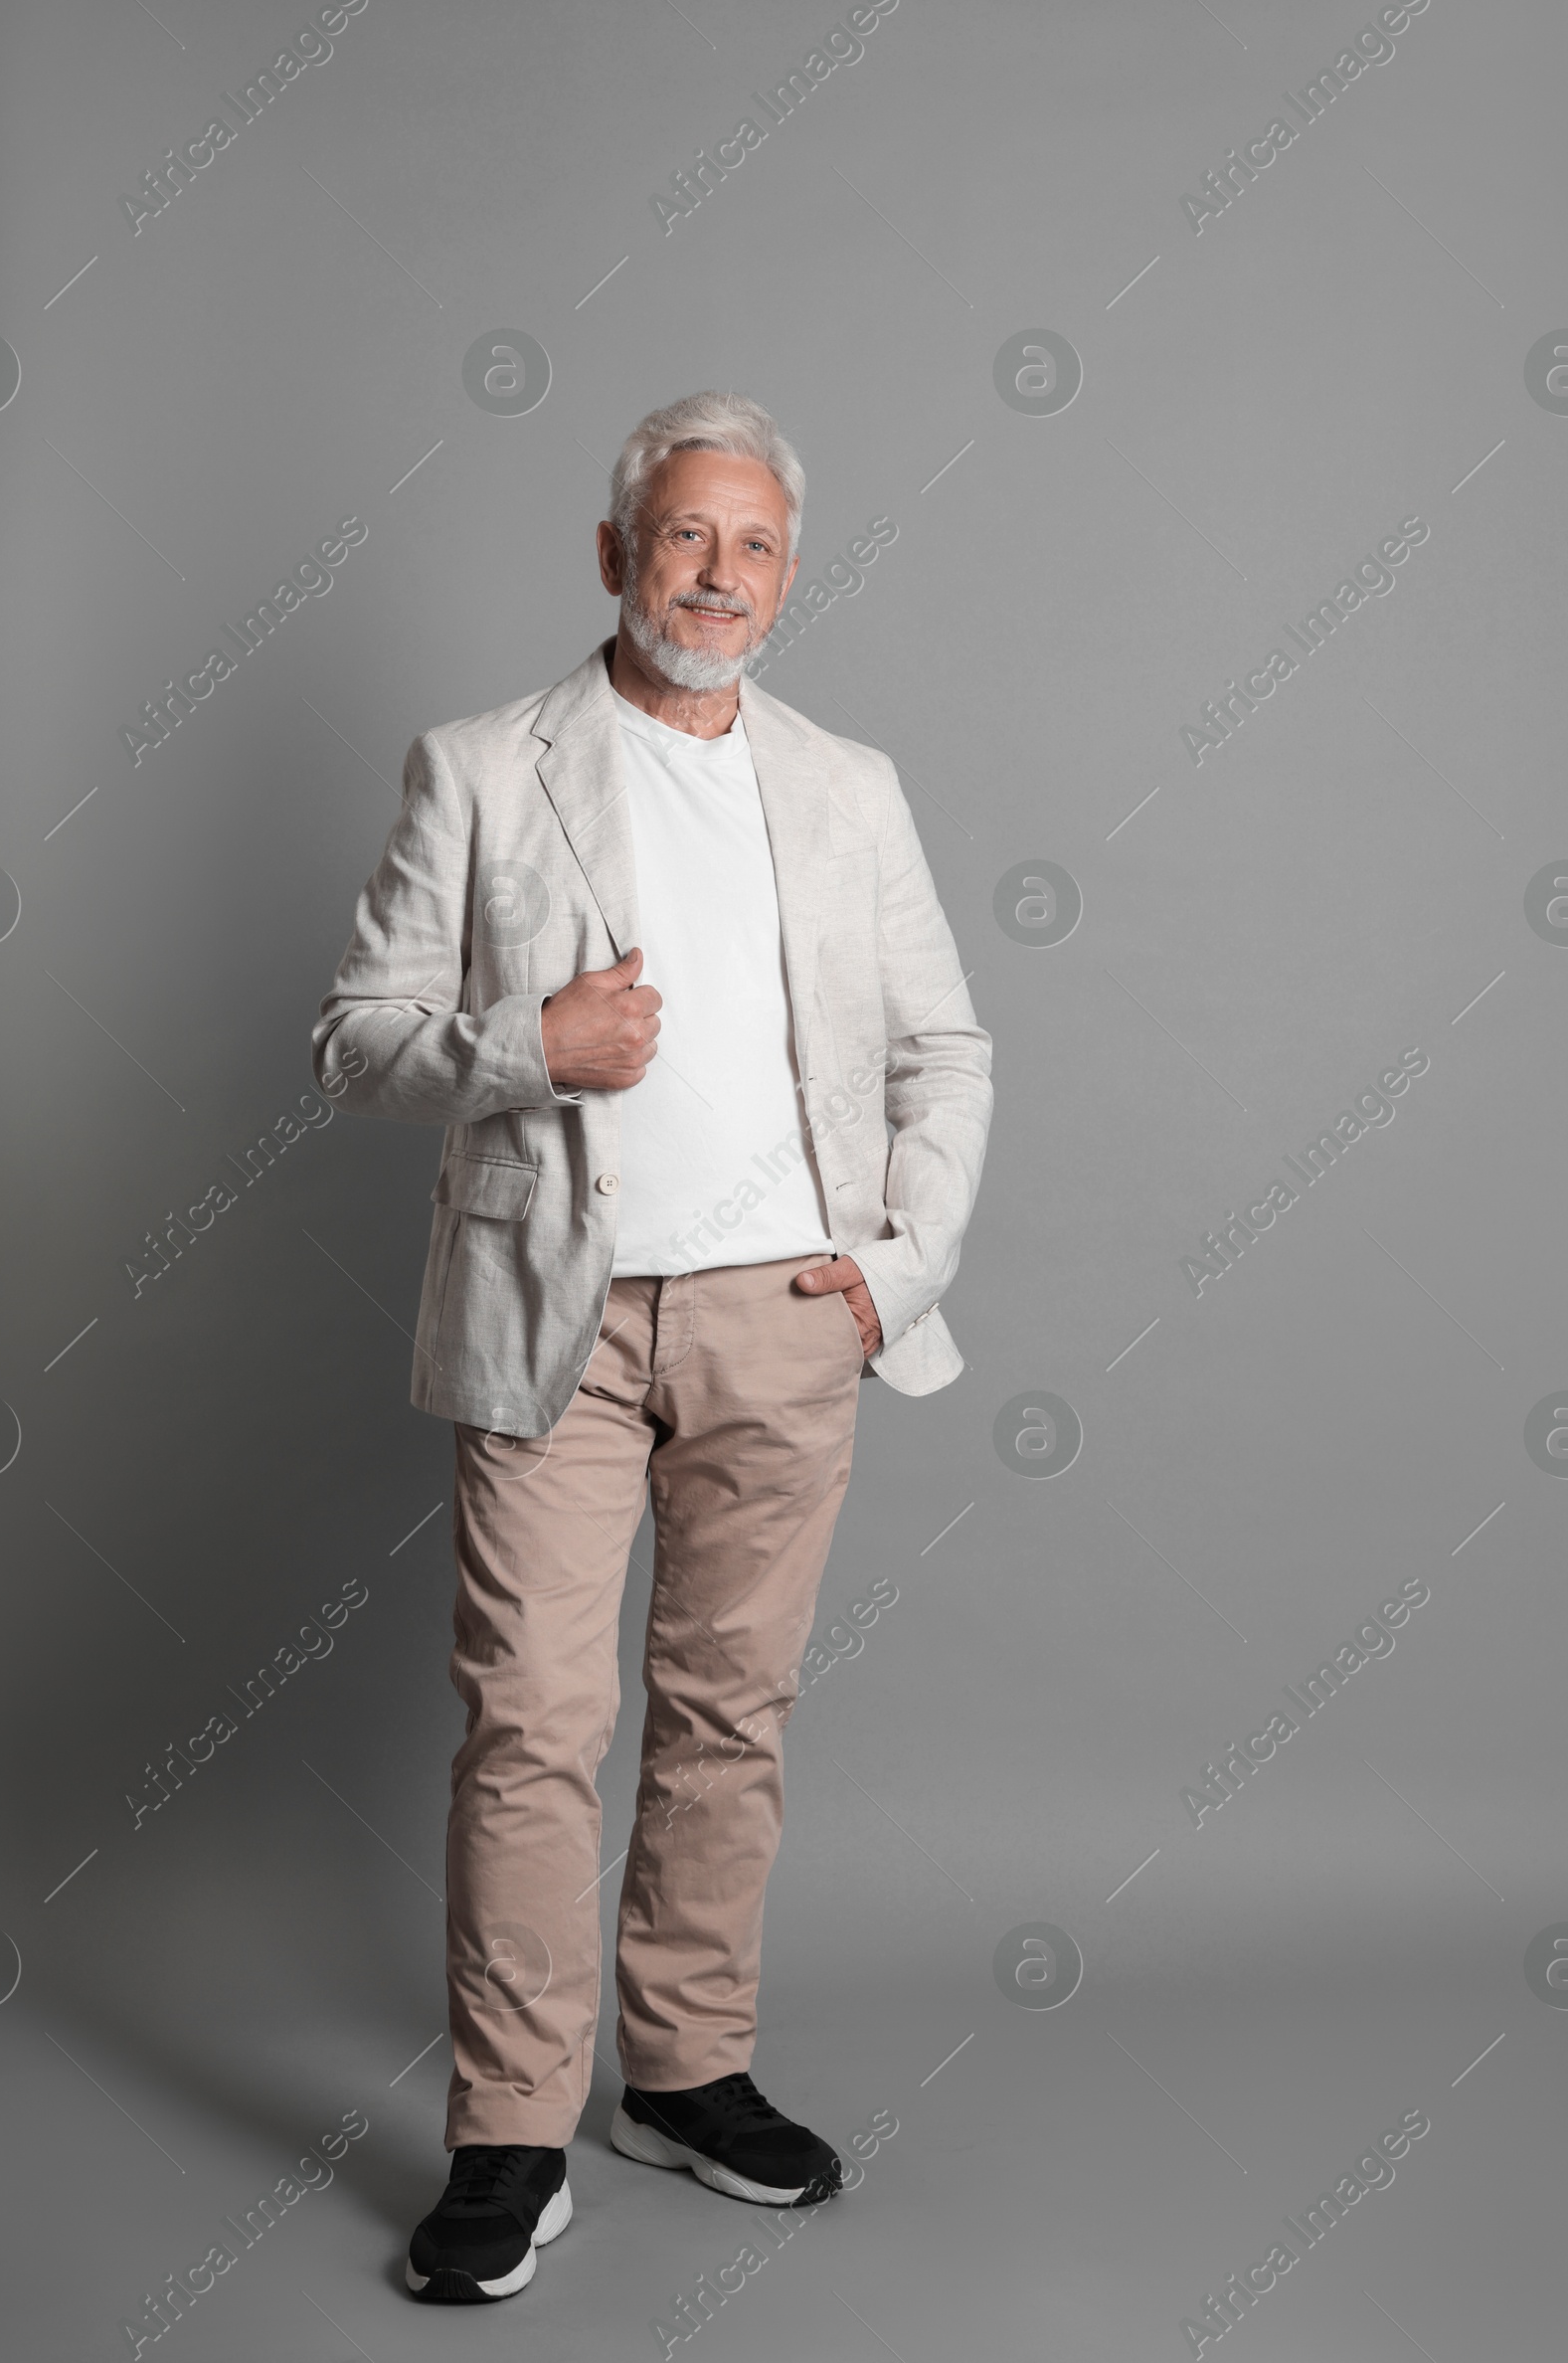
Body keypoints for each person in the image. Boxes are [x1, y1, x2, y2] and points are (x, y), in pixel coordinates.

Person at [311, 391, 992, 2305]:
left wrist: (900, 1269)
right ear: (616, 555)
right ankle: (511, 2138)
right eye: (686, 535)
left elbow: (949, 1051)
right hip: (558, 1324)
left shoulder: (851, 784)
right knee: (534, 1725)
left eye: (756, 542)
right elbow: (352, 1038)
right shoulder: (480, 766)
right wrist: (535, 1045)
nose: (721, 573)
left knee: (728, 1718)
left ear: (791, 572)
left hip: (792, 1320)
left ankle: (683, 2078)